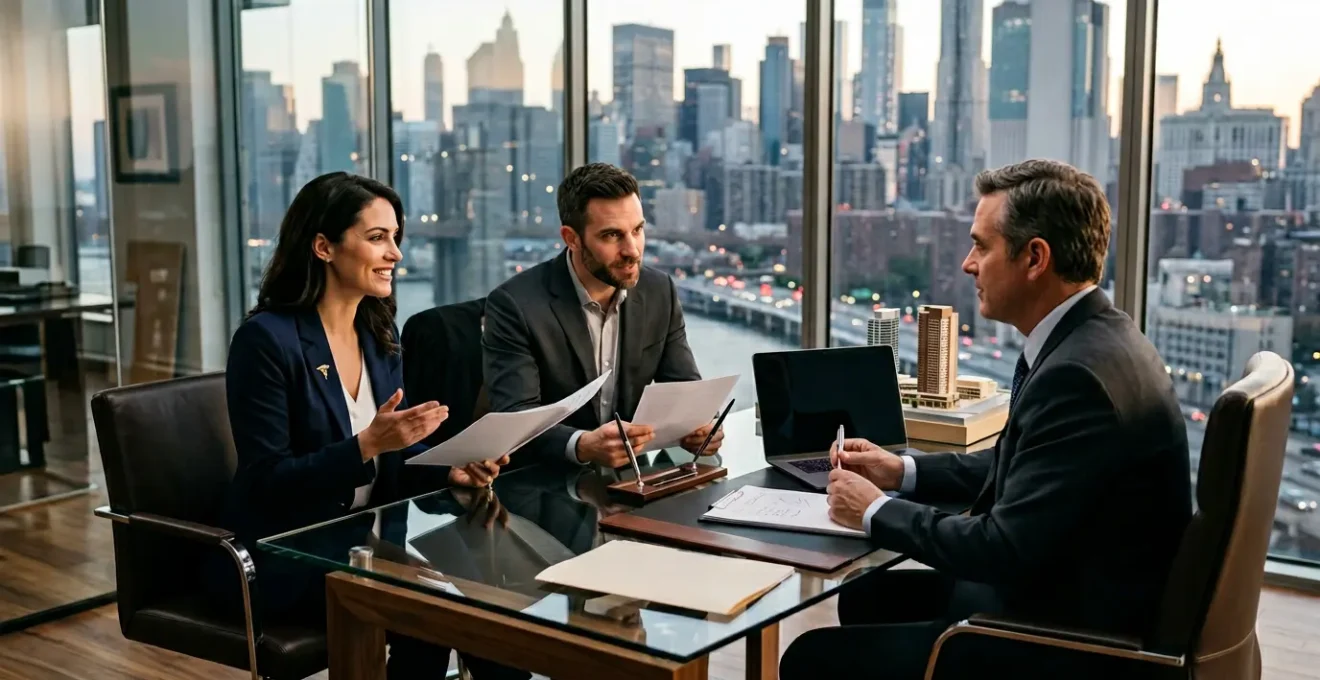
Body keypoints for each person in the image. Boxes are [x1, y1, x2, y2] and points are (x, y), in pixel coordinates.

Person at [780, 160, 1192, 679]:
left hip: (1069, 642)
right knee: (866, 597)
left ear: (1035, 258)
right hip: (1063, 593)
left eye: (982, 245)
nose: (967, 263)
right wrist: (901, 471)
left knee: (808, 660)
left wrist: (875, 510)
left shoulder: (1077, 379)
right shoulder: (1103, 339)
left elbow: (1003, 548)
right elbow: (1015, 465)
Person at [219, 172, 526, 679]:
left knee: (493, 613)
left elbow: (395, 456)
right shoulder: (265, 341)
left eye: (396, 238)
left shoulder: (379, 335)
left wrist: (449, 471)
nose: (396, 255)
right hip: (286, 554)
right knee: (445, 614)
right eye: (377, 238)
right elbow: (264, 483)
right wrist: (364, 445)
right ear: (323, 246)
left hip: (368, 545)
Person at [483, 163, 723, 468]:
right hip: (546, 486)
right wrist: (581, 445)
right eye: (612, 235)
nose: (633, 250)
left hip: (635, 481)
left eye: (638, 230)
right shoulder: (514, 304)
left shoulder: (659, 290)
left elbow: (685, 390)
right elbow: (515, 417)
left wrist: (703, 427)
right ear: (572, 238)